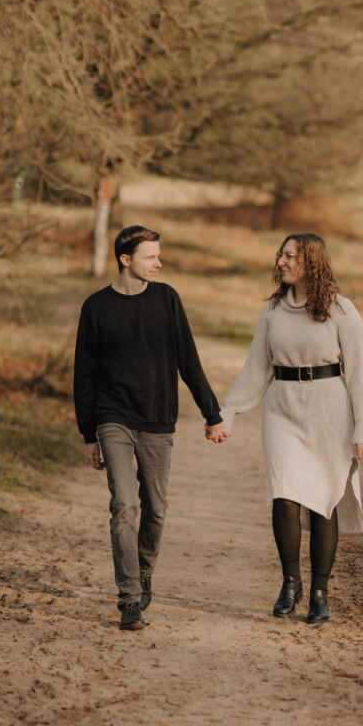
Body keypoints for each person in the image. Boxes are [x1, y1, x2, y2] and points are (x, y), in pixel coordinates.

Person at [207, 232, 363, 624]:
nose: (281, 262)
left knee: (323, 501)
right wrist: (228, 411)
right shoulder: (273, 311)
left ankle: (319, 592)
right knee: (283, 494)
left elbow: (361, 371)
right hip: (282, 410)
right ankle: (290, 582)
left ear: (311, 261)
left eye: (290, 256)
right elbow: (256, 368)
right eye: (281, 255)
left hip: (330, 411)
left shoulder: (340, 309)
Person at [74, 225, 228, 631]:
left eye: (159, 256)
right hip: (113, 418)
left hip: (158, 419)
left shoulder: (167, 299)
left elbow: (188, 360)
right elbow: (84, 375)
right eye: (151, 256)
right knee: (124, 505)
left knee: (155, 509)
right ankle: (129, 598)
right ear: (126, 260)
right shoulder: (96, 308)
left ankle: (143, 570)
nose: (159, 263)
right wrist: (88, 434)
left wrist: (212, 413)